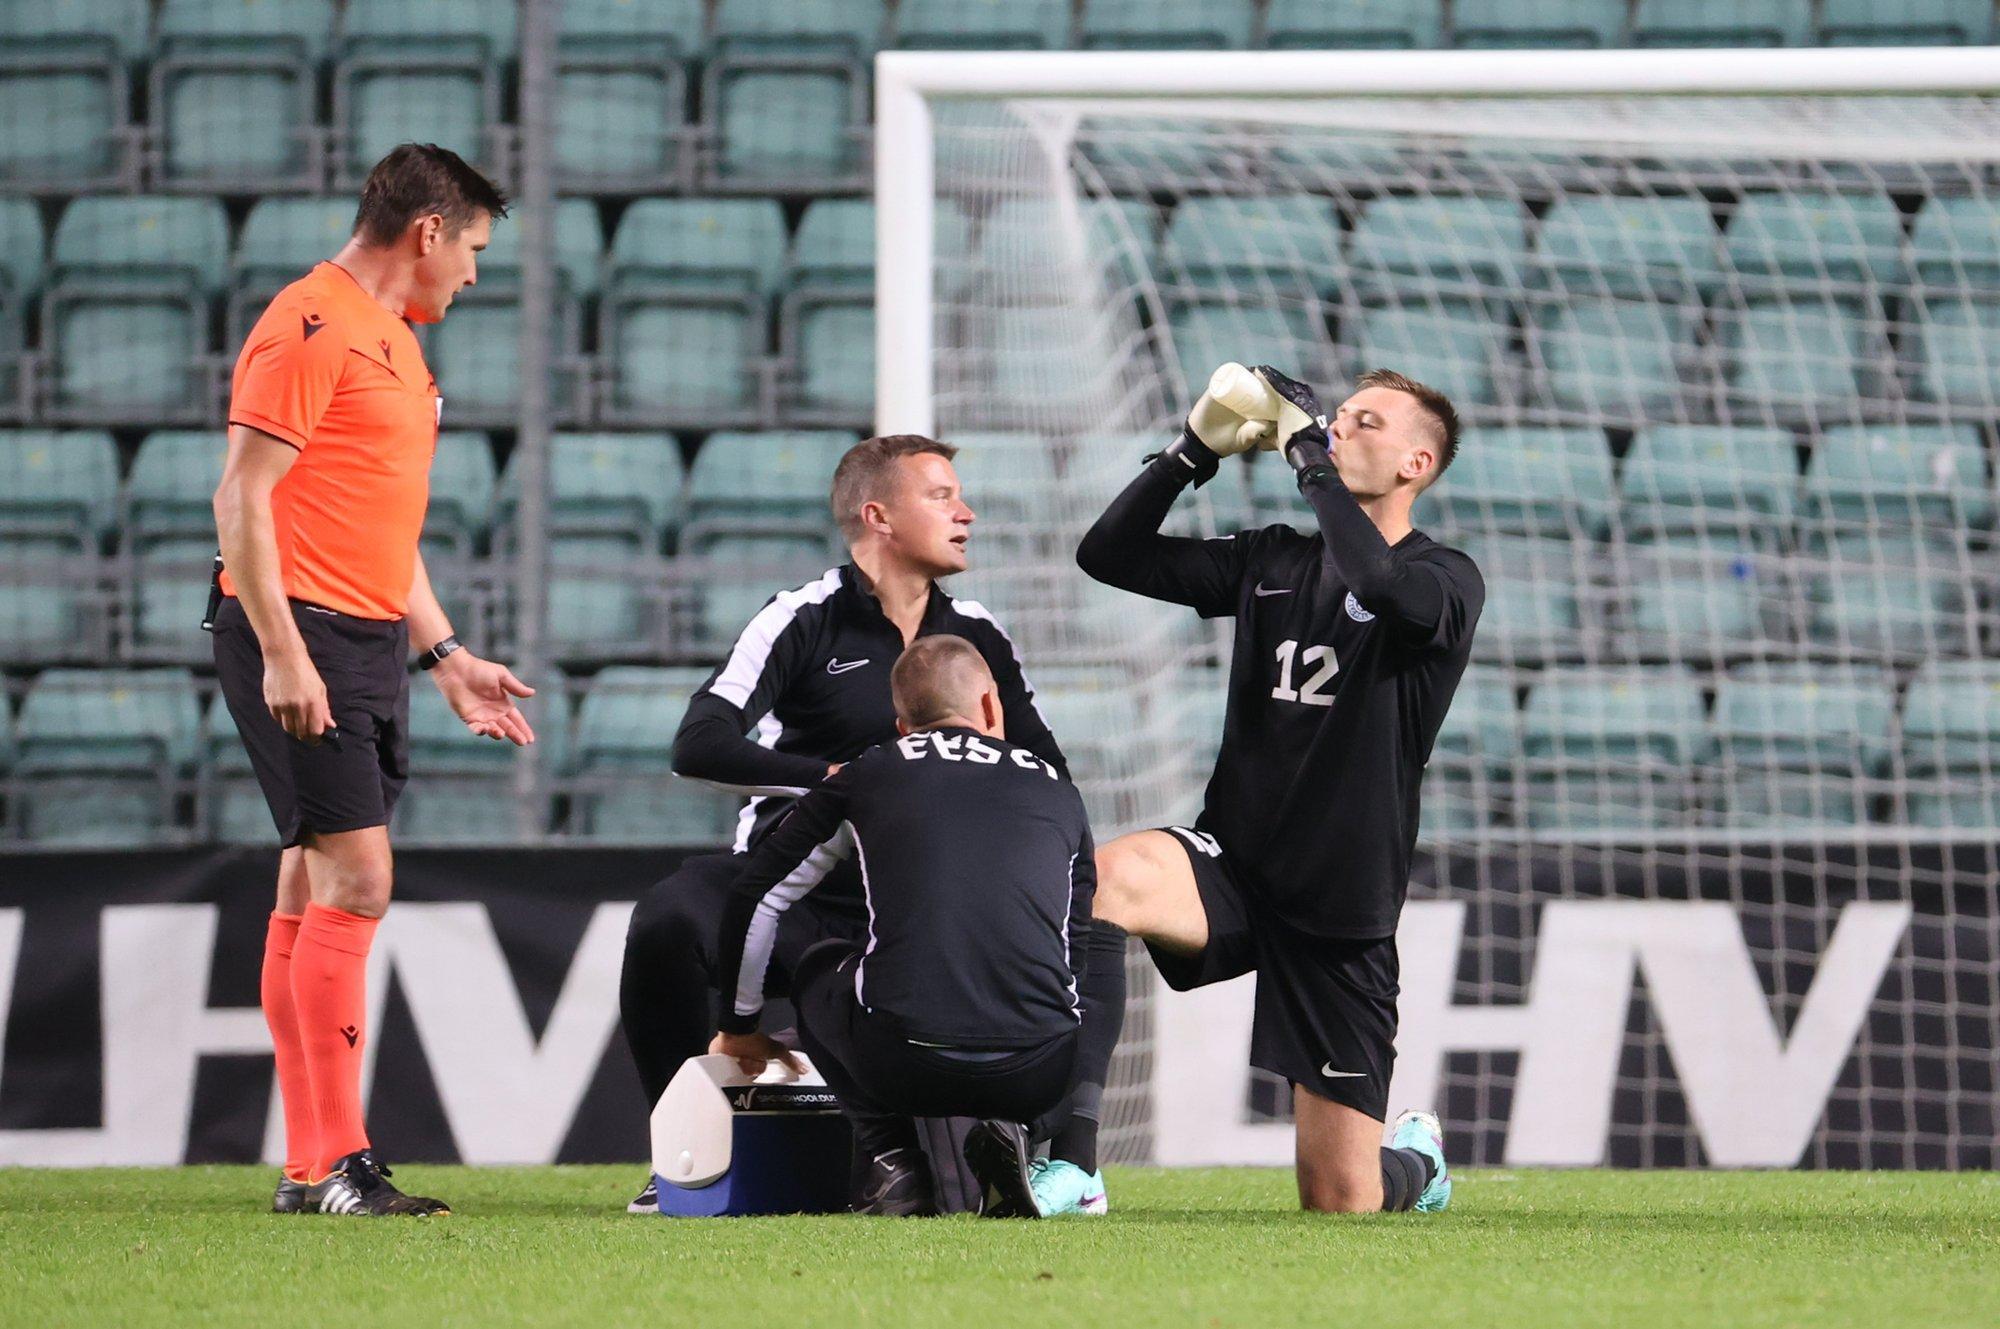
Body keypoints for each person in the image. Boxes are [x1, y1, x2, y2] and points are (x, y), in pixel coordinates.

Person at [618, 434, 1126, 1217]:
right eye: (942, 496)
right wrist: (835, 782)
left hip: (928, 900)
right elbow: (700, 741)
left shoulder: (981, 636)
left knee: (1095, 928)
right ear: (878, 514)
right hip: (798, 890)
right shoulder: (801, 616)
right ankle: (681, 1150)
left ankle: (1064, 1158)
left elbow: (1046, 772)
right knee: (666, 916)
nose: (967, 512)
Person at [1076, 365, 1484, 1214]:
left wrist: (1307, 457)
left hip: (1340, 903)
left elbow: (1378, 585)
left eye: (1365, 422)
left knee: (1341, 1200)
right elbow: (1106, 555)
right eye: (1338, 418)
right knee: (1096, 882)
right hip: (1231, 860)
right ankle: (1072, 1164)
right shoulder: (1271, 558)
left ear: (1416, 463)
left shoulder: (1446, 578)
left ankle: (1412, 1164)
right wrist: (1190, 453)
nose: (1340, 427)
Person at [210, 143, 533, 1218]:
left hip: (360, 634)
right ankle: (339, 1161)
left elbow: (377, 523)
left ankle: (312, 1168)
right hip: (296, 627)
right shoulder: (312, 322)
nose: (475, 275)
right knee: (359, 882)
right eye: (475, 249)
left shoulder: (392, 338)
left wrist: (443, 655)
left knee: (311, 884)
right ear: (428, 231)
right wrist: (283, 651)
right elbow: (240, 498)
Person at [711, 635, 1095, 1218]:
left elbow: (756, 892)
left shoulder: (867, 774)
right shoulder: (1059, 790)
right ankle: (1033, 1139)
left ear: (902, 725)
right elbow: (1079, 944)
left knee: (821, 961)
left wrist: (738, 1024)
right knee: (1074, 977)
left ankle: (893, 1161)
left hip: (905, 1066)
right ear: (992, 707)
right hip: (1039, 1075)